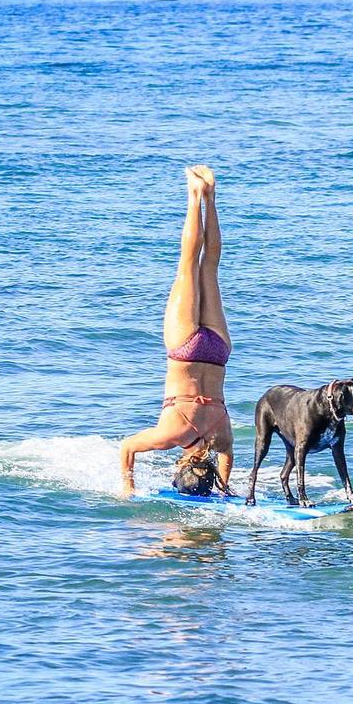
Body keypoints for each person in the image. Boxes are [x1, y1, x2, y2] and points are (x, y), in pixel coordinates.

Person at [120, 166, 233, 496]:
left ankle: (208, 196)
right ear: (180, 465)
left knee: (207, 266)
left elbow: (225, 457)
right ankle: (194, 194)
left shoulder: (221, 436)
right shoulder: (170, 437)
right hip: (186, 349)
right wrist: (127, 485)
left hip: (217, 352)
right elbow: (127, 447)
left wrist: (225, 488)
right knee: (188, 264)